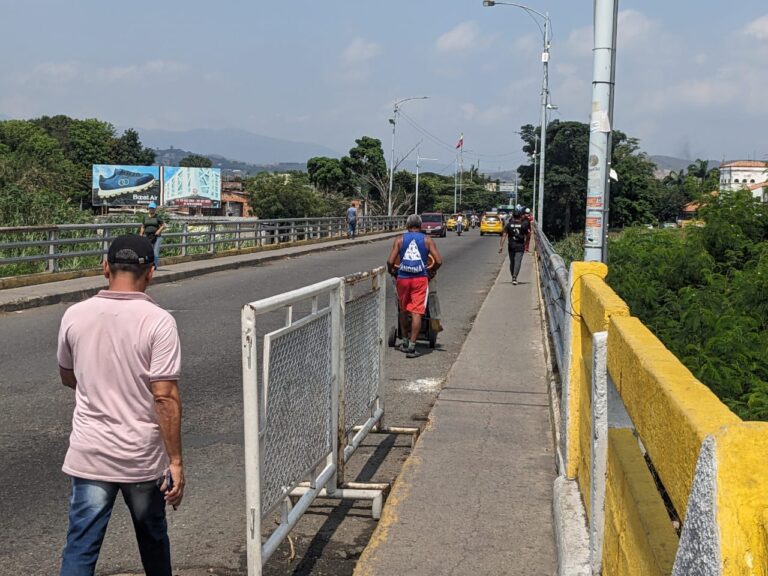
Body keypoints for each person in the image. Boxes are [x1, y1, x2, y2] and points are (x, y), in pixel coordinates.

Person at [57, 234, 184, 576]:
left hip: (90, 453)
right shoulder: (158, 321)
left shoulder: (75, 314)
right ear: (151, 273)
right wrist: (175, 461)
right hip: (140, 458)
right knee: (153, 539)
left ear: (105, 268)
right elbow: (164, 396)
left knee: (81, 546)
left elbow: (68, 376)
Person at [387, 215, 442, 358]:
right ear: (421, 226)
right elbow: (439, 261)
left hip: (403, 278)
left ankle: (404, 341)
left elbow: (390, 261)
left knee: (403, 309)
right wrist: (431, 271)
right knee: (417, 311)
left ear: (407, 226)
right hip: (419, 279)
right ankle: (412, 346)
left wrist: (393, 271)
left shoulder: (399, 239)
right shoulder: (427, 240)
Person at [499, 208, 531, 285]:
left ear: (513, 216)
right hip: (520, 246)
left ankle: (513, 276)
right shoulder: (523, 225)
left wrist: (501, 246)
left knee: (512, 262)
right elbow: (528, 234)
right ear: (520, 216)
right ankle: (514, 277)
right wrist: (526, 244)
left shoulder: (509, 225)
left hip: (511, 246)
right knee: (518, 261)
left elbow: (504, 235)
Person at [139, 202, 166, 269]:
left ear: (155, 209)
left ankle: (154, 265)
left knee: (155, 252)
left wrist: (158, 231)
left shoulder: (158, 217)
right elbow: (143, 226)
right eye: (150, 208)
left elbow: (163, 226)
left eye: (153, 208)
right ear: (148, 209)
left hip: (156, 237)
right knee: (148, 251)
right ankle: (149, 264)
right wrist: (141, 234)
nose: (151, 210)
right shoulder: (145, 217)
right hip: (147, 236)